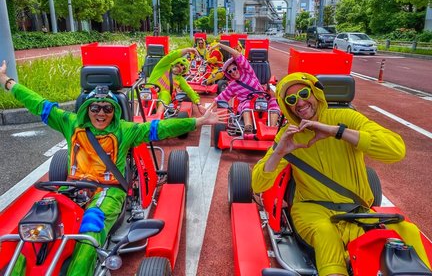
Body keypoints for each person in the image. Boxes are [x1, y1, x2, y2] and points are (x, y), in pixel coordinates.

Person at [0, 60, 227, 276]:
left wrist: (197, 122)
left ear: (114, 111)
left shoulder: (126, 130)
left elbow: (161, 127)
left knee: (90, 225)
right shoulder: (71, 123)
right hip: (72, 189)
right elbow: (38, 103)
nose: (101, 113)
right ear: (87, 108)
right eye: (96, 108)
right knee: (31, 229)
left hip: (109, 190)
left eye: (107, 109)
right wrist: (6, 80)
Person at [251, 72, 431, 275]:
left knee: (408, 231)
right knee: (326, 234)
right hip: (311, 210)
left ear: (316, 93)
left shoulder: (346, 118)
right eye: (291, 100)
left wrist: (337, 132)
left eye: (304, 93)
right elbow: (258, 185)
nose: (299, 103)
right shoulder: (289, 135)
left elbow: (395, 150)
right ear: (286, 106)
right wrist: (280, 152)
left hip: (356, 209)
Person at [209, 42, 280, 134]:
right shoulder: (232, 85)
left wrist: (220, 45)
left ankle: (272, 129)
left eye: (234, 69)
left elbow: (237, 55)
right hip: (247, 103)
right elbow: (220, 98)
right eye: (230, 72)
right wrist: (207, 110)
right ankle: (248, 127)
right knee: (246, 105)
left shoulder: (248, 73)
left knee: (273, 102)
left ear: (238, 67)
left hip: (262, 99)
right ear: (228, 74)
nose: (233, 72)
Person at [147, 47, 205, 115]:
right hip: (147, 94)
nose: (180, 67)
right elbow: (171, 56)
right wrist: (188, 50)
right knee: (136, 95)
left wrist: (199, 104)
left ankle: (158, 116)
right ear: (175, 62)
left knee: (165, 94)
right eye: (180, 64)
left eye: (183, 68)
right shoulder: (162, 66)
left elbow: (189, 91)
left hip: (160, 100)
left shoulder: (180, 79)